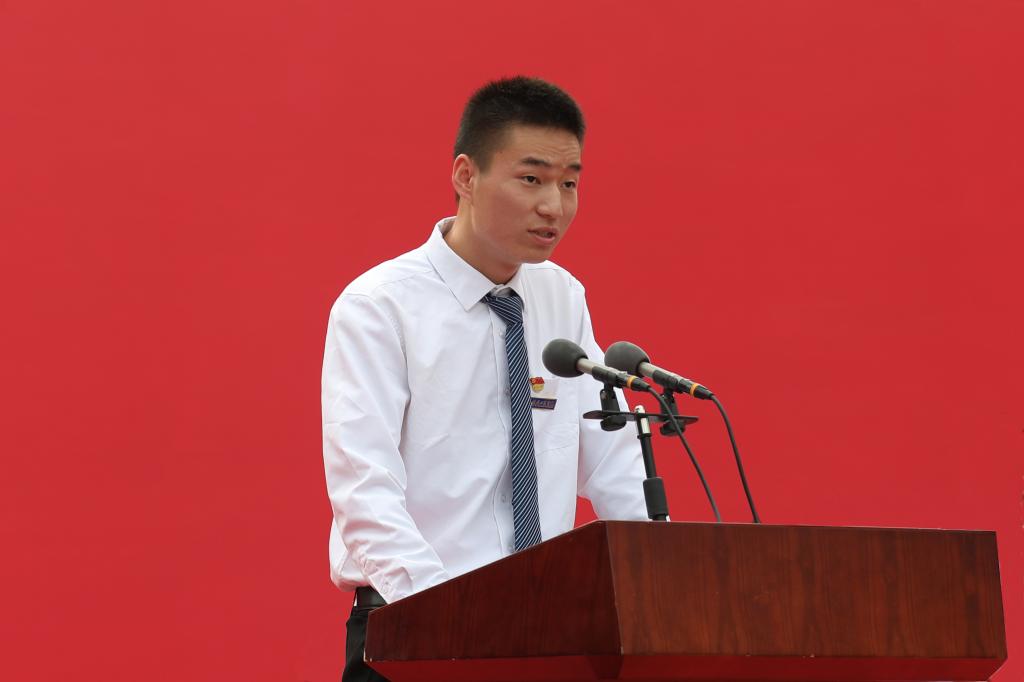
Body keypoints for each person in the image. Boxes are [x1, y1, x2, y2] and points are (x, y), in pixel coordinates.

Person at [321, 76, 648, 682]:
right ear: (466, 176)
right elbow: (365, 492)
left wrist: (660, 586)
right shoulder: (379, 307)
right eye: (532, 179)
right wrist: (450, 617)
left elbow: (613, 466)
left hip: (540, 636)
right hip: (414, 631)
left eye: (569, 183)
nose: (554, 206)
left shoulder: (561, 296)